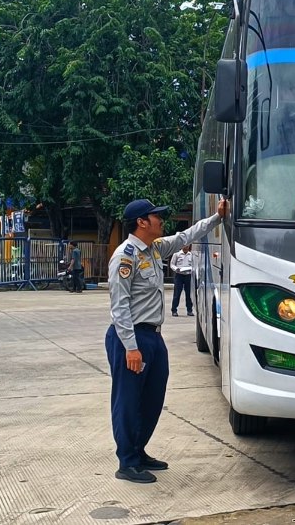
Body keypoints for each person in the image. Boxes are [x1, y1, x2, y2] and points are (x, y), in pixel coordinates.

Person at [105, 198, 228, 483]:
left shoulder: (155, 249)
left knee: (152, 397)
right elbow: (119, 306)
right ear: (141, 222)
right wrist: (131, 347)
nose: (161, 220)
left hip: (154, 337)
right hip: (131, 337)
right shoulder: (125, 256)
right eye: (156, 216)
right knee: (128, 400)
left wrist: (217, 218)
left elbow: (187, 236)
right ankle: (127, 461)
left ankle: (139, 449)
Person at [169, 244, 194, 317]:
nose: (186, 247)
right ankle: (174, 310)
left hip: (188, 275)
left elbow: (194, 265)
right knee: (177, 294)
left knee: (189, 294)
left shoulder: (191, 255)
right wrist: (176, 268)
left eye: (187, 245)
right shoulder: (176, 254)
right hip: (179, 275)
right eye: (184, 245)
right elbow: (172, 264)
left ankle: (189, 310)